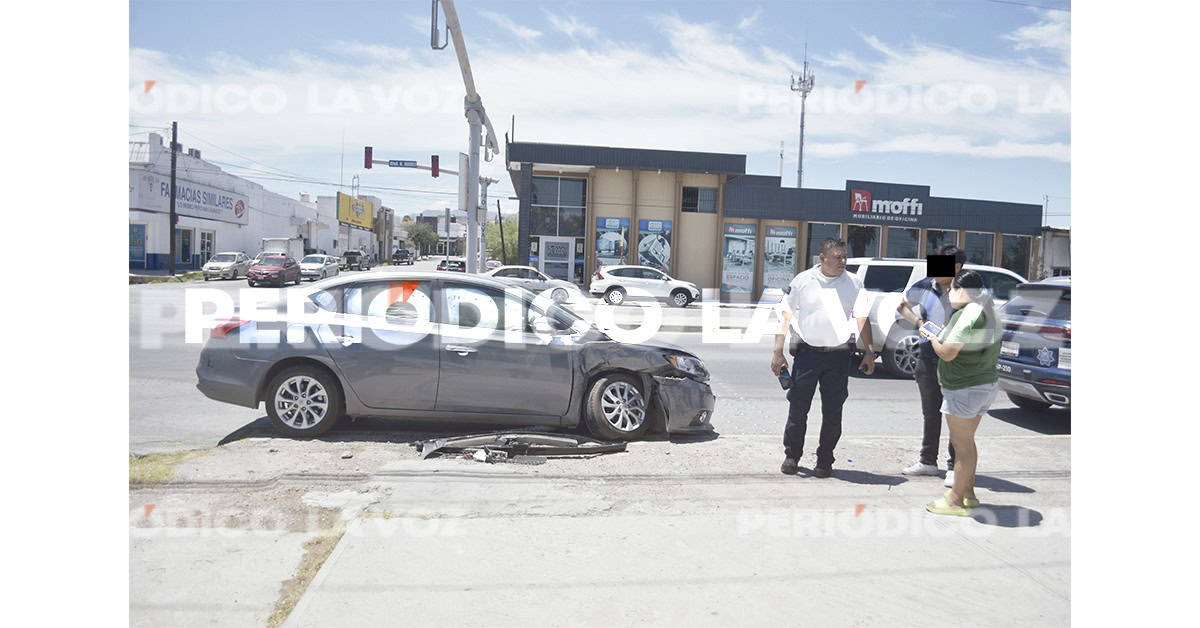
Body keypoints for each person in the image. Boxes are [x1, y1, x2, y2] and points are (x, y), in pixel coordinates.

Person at [770, 238, 876, 478]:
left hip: (838, 357)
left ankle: (825, 461)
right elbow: (784, 316)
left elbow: (862, 318)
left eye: (844, 256)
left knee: (833, 411)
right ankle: (792, 456)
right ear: (823, 258)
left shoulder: (854, 283)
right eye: (838, 257)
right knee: (798, 408)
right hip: (808, 354)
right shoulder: (803, 281)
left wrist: (869, 351)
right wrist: (778, 351)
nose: (843, 261)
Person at [918, 269, 1002, 516]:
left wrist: (932, 337)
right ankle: (968, 492)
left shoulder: (970, 313)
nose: (949, 293)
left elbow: (948, 352)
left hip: (965, 388)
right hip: (982, 385)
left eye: (953, 289)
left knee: (962, 446)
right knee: (967, 443)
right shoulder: (988, 310)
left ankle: (955, 499)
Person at [897, 245, 965, 486]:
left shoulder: (966, 289)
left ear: (956, 267)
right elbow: (901, 306)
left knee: (955, 414)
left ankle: (954, 467)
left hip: (956, 360)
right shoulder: (925, 285)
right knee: (931, 412)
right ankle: (928, 461)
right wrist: (919, 322)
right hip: (927, 357)